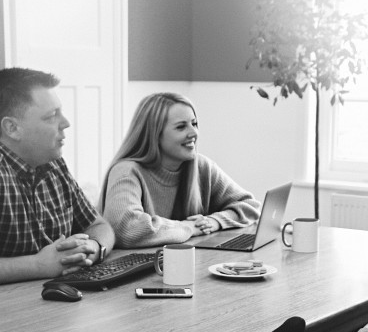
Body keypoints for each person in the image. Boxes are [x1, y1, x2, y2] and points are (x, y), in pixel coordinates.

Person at [98, 92, 260, 248]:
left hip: (186, 260)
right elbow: (125, 228)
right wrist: (188, 227)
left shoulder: (201, 166)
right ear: (154, 135)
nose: (194, 133)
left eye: (194, 124)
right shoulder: (126, 171)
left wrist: (214, 221)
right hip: (139, 265)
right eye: (181, 127)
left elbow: (250, 206)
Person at [0, 67, 115, 284]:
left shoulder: (54, 164)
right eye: (52, 116)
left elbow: (99, 226)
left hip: (58, 296)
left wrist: (94, 247)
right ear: (12, 128)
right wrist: (37, 265)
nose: (66, 123)